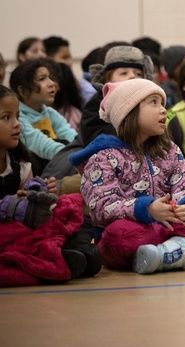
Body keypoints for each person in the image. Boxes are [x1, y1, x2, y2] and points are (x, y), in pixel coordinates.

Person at [69, 79, 185, 274]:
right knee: (117, 234)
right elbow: (101, 208)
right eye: (153, 103)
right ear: (128, 112)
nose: (163, 110)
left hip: (169, 226)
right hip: (133, 231)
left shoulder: (169, 151)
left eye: (162, 103)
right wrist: (148, 209)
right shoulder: (103, 157)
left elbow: (183, 187)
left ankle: (164, 255)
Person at [0, 85, 101, 285]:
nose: (16, 124)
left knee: (70, 204)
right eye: (6, 117)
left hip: (24, 232)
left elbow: (30, 202)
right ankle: (53, 260)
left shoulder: (20, 164)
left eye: (17, 117)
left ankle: (67, 254)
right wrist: (12, 207)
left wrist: (44, 194)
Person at [9, 58, 78, 171]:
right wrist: (74, 156)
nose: (52, 84)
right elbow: (40, 144)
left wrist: (82, 150)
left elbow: (71, 135)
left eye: (50, 77)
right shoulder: (18, 116)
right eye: (42, 79)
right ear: (23, 91)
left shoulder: (50, 112)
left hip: (56, 161)